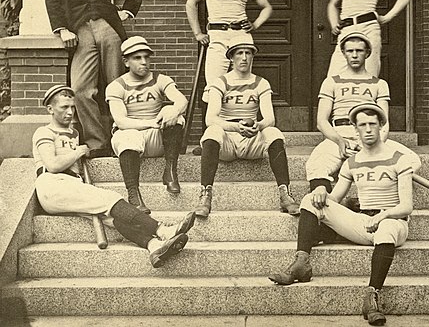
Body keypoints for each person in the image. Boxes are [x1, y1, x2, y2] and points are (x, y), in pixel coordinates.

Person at [269, 102, 421, 326]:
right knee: (310, 199)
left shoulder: (399, 158)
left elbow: (406, 207)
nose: (368, 129)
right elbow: (334, 200)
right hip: (363, 222)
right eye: (362, 125)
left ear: (381, 126)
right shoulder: (352, 162)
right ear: (355, 129)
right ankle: (302, 263)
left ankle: (372, 297)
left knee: (386, 229)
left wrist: (381, 217)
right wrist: (321, 190)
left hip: (393, 223)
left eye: (372, 124)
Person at [33, 85, 195, 268]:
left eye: (72, 107)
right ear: (50, 109)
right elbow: (53, 165)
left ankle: (154, 246)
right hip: (52, 185)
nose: (70, 112)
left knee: (112, 219)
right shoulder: (44, 132)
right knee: (111, 199)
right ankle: (163, 230)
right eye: (64, 107)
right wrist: (79, 151)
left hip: (72, 186)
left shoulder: (74, 134)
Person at [45, 0, 144, 156]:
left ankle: (121, 139)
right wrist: (62, 28)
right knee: (81, 89)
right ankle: (97, 142)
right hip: (79, 29)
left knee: (116, 85)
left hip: (107, 25)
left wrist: (127, 11)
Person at [194, 36, 299, 218]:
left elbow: (270, 119)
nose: (244, 57)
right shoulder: (220, 82)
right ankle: (205, 195)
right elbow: (210, 118)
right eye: (239, 53)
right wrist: (235, 128)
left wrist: (258, 125)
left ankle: (285, 194)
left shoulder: (261, 82)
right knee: (212, 131)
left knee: (273, 133)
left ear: (253, 57)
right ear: (231, 58)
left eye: (248, 53)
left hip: (251, 139)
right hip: (227, 141)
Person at [306, 31, 418, 202]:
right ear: (343, 53)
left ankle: (366, 199)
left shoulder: (379, 84)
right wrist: (340, 141)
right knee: (317, 164)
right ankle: (331, 205)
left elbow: (384, 123)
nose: (355, 55)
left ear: (367, 53)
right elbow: (322, 122)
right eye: (350, 51)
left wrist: (372, 144)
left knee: (412, 161)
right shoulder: (331, 81)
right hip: (340, 134)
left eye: (359, 50)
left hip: (369, 133)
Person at [185, 0, 273, 103]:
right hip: (217, 35)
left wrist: (254, 25)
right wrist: (198, 34)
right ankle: (213, 127)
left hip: (241, 37)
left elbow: (267, 7)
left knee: (242, 85)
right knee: (214, 86)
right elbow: (191, 3)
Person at [106, 36, 189, 214]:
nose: (144, 62)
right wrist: (152, 122)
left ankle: (170, 171)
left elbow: (181, 100)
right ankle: (133, 193)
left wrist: (172, 111)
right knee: (128, 135)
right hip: (130, 137)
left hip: (156, 138)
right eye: (137, 58)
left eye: (146, 57)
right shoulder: (116, 86)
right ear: (126, 62)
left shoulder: (160, 79)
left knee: (175, 116)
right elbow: (121, 121)